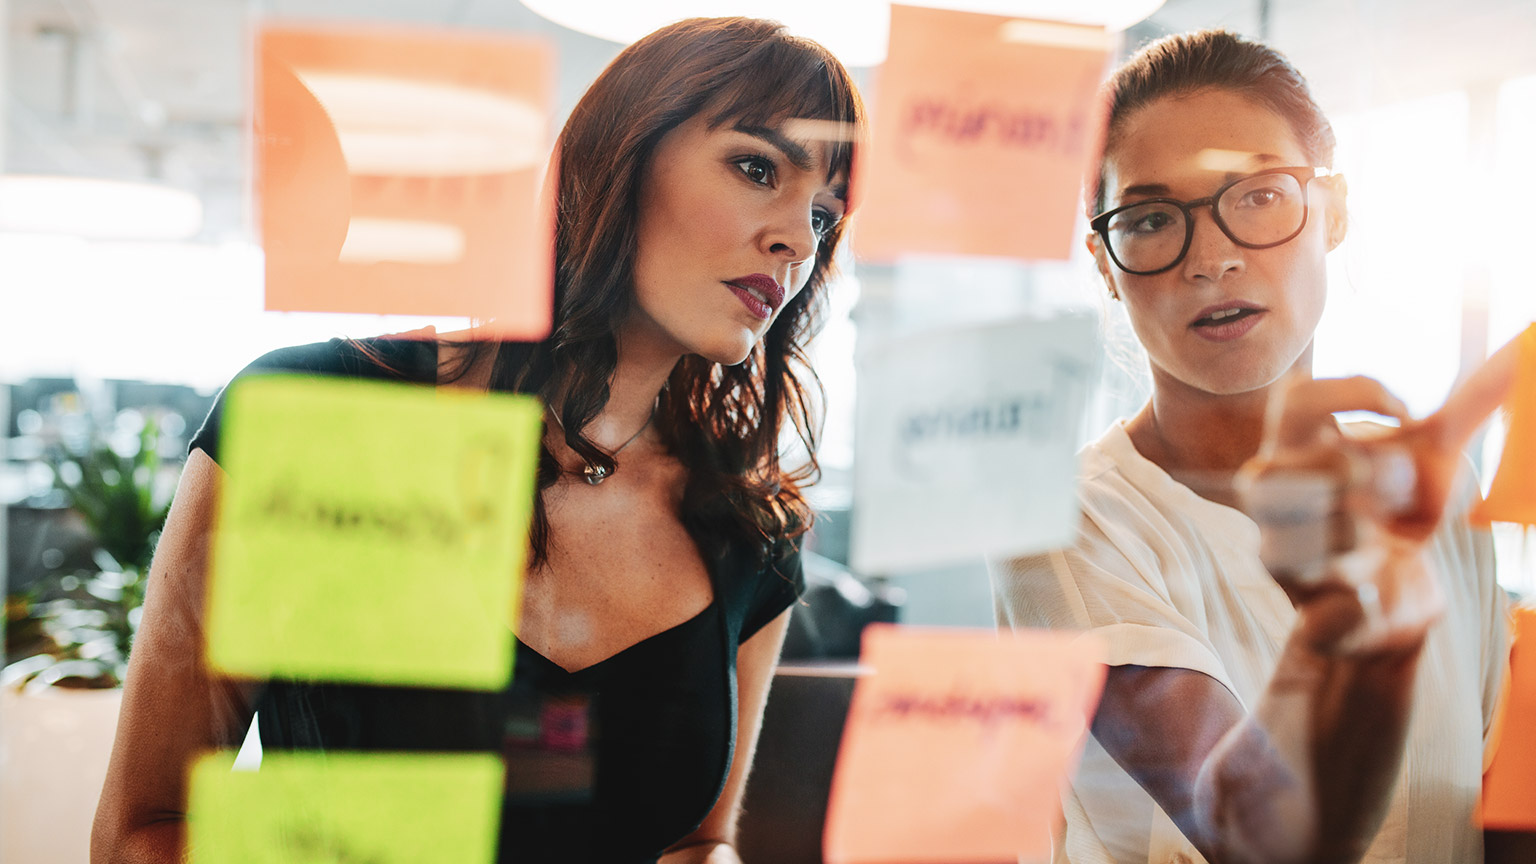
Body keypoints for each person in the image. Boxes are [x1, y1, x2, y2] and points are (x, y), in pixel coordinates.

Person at [92, 17, 862, 864]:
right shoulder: (319, 416)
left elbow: (698, 842)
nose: (797, 239)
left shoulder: (746, 523)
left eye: (824, 215)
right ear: (621, 156)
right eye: (758, 169)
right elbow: (147, 830)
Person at [990, 30, 1520, 863]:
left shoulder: (1435, 491)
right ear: (1104, 260)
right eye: (1153, 218)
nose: (1213, 258)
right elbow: (1256, 838)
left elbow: (1476, 811)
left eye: (1260, 196)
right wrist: (1345, 627)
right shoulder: (1064, 524)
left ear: (1334, 210)